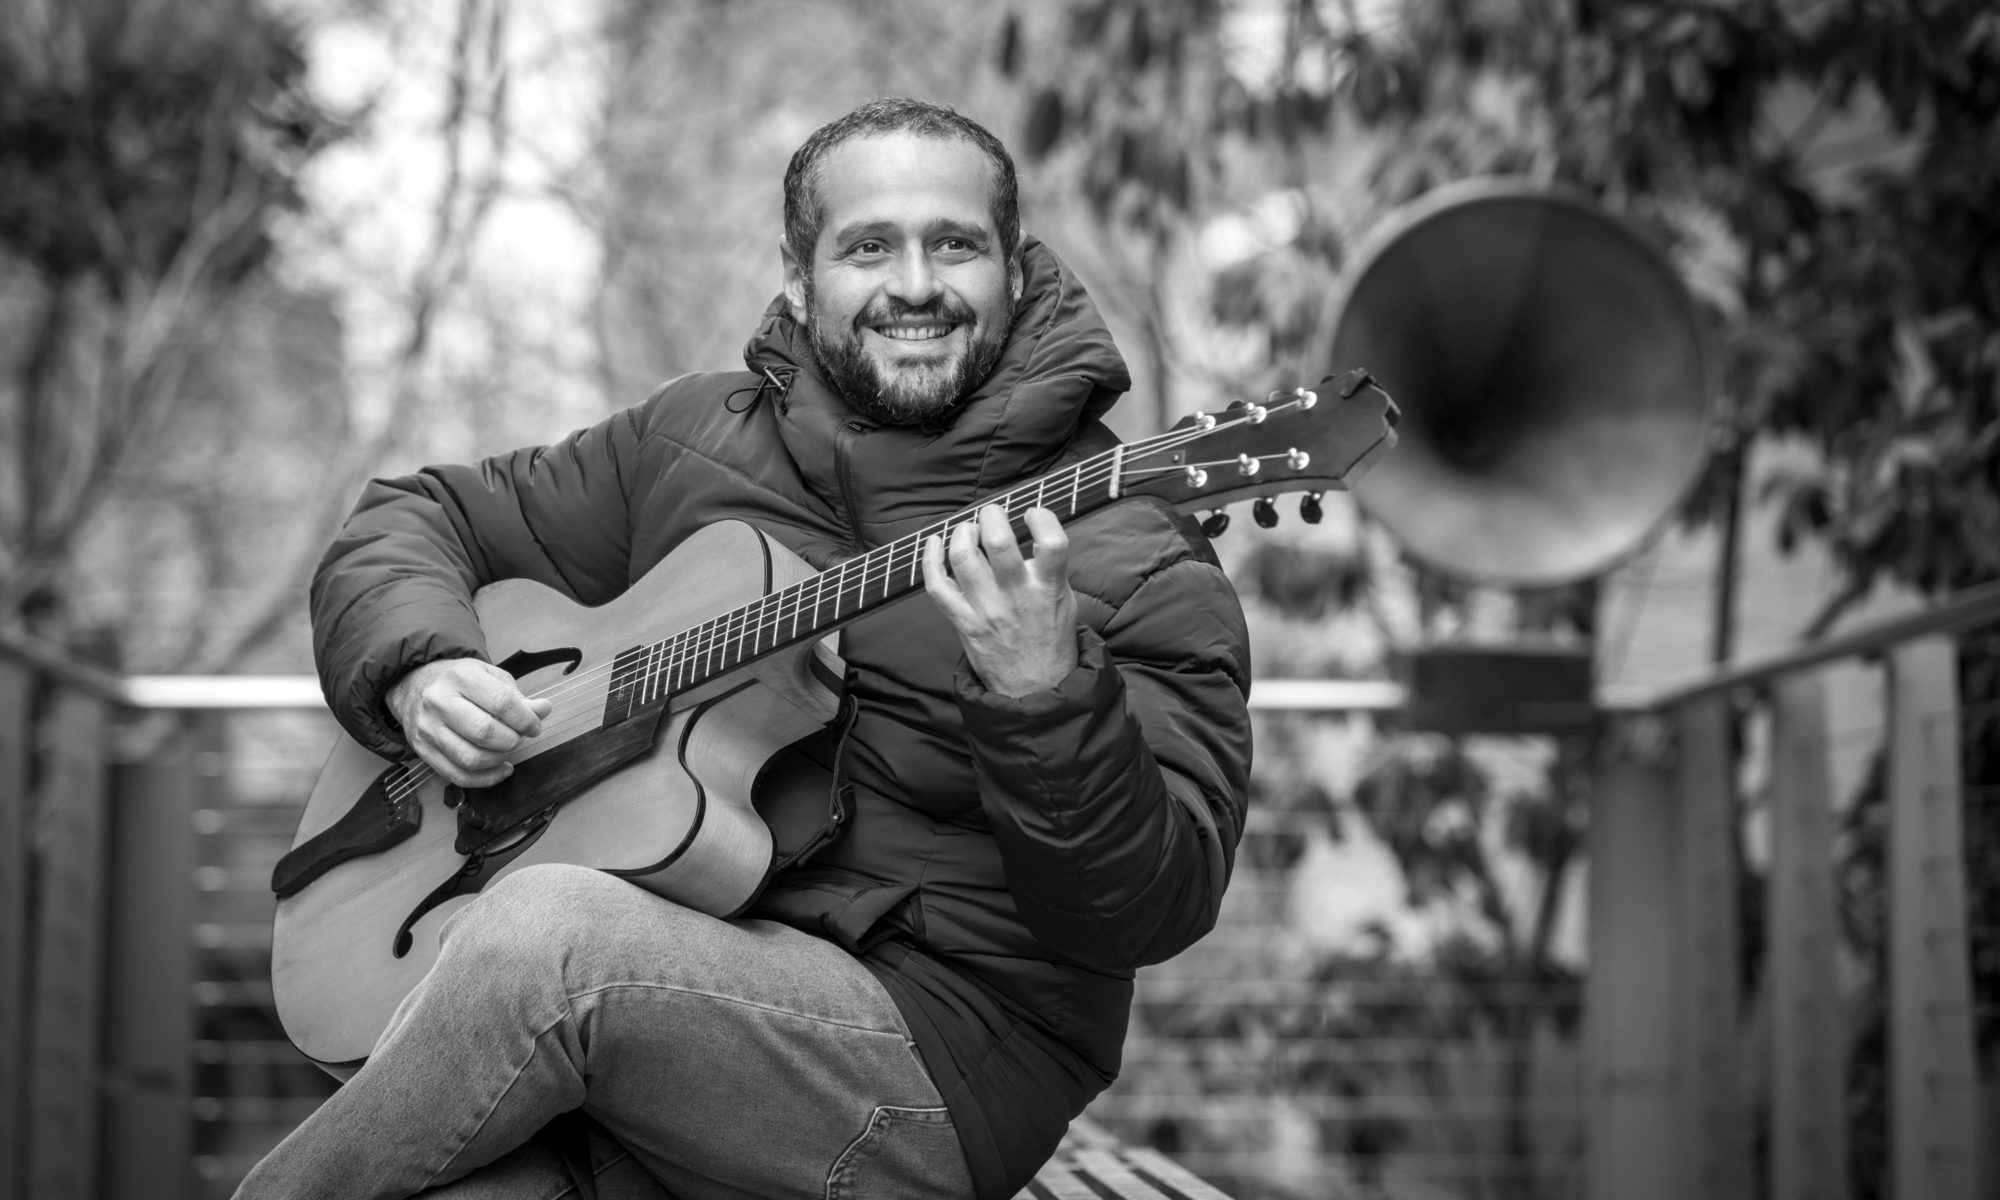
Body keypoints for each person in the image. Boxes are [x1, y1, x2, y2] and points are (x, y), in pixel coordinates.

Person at [240, 97, 1252, 1200]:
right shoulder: (686, 441)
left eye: (953, 243)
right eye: (868, 246)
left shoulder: (1130, 549)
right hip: (651, 1012)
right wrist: (422, 666)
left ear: (1012, 268)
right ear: (797, 275)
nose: (914, 284)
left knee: (548, 935)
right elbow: (418, 516)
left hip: (926, 1068)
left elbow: (1148, 908)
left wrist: (1044, 696)